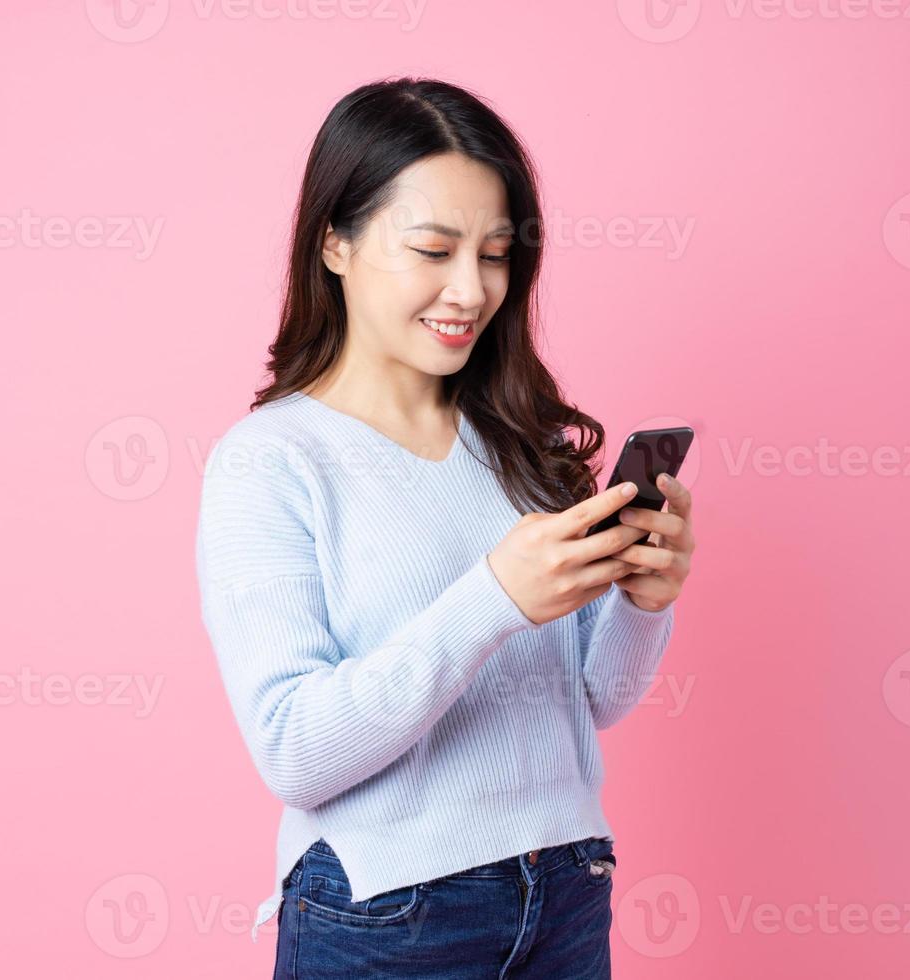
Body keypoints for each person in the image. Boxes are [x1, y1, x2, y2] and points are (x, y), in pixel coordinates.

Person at [195, 76, 696, 978]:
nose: (471, 290)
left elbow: (591, 703)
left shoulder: (519, 437)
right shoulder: (272, 461)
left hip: (568, 893)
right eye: (432, 248)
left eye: (496, 254)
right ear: (335, 244)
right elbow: (294, 752)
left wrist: (645, 602)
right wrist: (494, 598)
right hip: (390, 916)